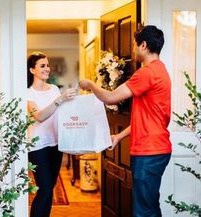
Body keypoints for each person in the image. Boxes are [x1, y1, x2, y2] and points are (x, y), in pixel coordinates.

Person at [79, 25, 172, 217]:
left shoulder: (147, 73)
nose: (134, 50)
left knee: (143, 211)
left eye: (135, 45)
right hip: (156, 148)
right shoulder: (160, 70)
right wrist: (119, 136)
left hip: (149, 151)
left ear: (144, 45)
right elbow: (146, 118)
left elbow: (111, 97)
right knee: (150, 206)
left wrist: (90, 85)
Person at [27, 51, 77, 217]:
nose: (47, 69)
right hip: (37, 146)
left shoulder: (54, 89)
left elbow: (61, 113)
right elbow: (40, 116)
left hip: (56, 144)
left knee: (49, 189)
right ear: (32, 70)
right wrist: (60, 99)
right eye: (42, 66)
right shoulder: (27, 93)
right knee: (45, 188)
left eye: (47, 65)